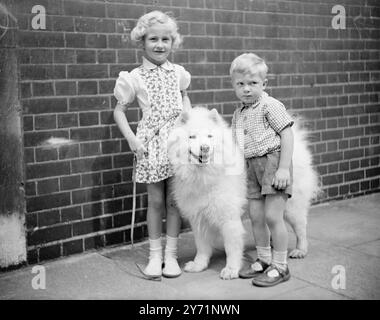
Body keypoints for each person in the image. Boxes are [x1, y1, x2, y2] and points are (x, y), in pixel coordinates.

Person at [113, 11, 191, 279]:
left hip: (177, 143)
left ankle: (171, 256)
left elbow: (184, 99)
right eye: (153, 39)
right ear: (142, 41)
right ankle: (154, 255)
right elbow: (119, 111)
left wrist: (188, 121)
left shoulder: (178, 73)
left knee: (174, 202)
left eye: (166, 39)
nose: (160, 44)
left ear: (173, 42)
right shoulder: (134, 77)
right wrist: (132, 139)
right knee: (156, 200)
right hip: (151, 145)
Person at [230, 53, 294, 287]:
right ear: (234, 86)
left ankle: (280, 266)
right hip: (251, 167)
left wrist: (284, 168)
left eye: (253, 83)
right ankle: (265, 259)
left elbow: (287, 133)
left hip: (273, 162)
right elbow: (236, 144)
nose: (246, 89)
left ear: (264, 84)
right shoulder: (238, 114)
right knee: (256, 216)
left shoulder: (270, 105)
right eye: (241, 84)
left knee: (272, 216)